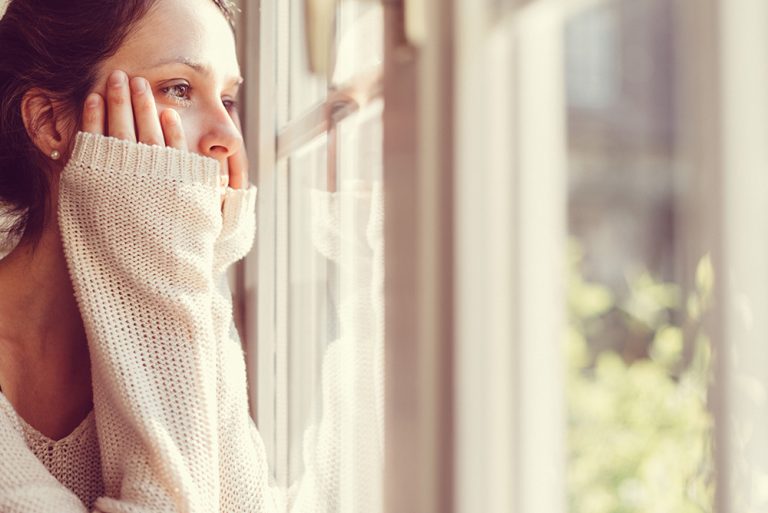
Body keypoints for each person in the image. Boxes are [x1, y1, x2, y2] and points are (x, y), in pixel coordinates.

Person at [0, 0, 281, 511]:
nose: (228, 137)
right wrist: (165, 268)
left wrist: (197, 270)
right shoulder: (162, 299)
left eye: (228, 99)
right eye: (179, 89)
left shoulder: (181, 308)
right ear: (50, 123)